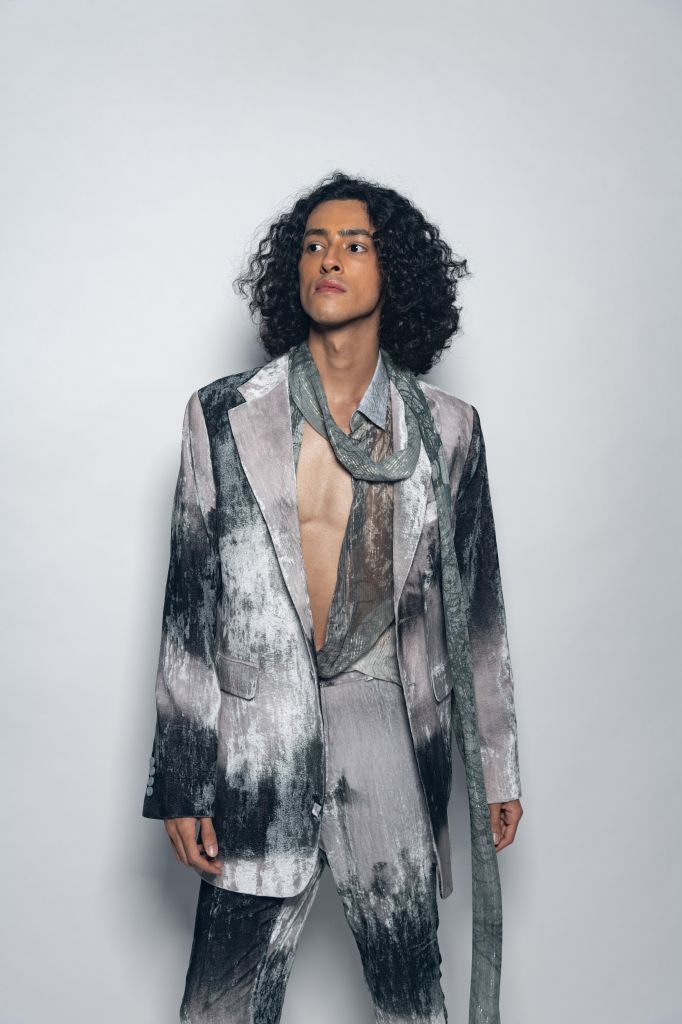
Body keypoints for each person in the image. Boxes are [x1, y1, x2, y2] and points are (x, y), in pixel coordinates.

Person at [142, 170, 523, 1024]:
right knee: (218, 1008)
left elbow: (479, 613)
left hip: (388, 732)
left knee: (411, 1003)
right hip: (258, 748)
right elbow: (190, 605)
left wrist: (495, 765)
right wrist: (183, 779)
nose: (330, 259)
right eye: (314, 244)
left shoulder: (448, 429)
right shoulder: (223, 414)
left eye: (355, 244)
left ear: (396, 274)